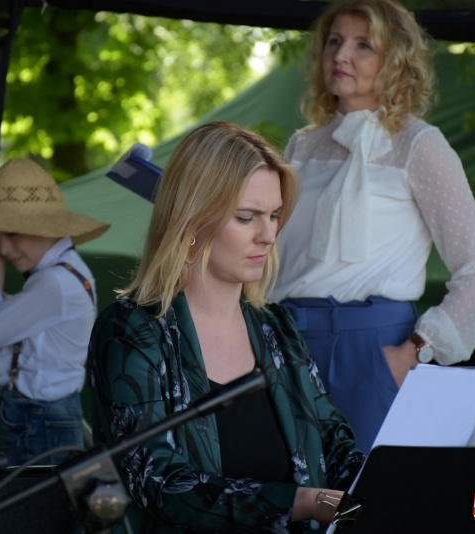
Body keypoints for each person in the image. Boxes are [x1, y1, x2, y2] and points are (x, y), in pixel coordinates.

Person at [88, 121, 365, 534]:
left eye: (274, 216)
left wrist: (389, 483)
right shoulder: (131, 329)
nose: (268, 235)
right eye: (246, 217)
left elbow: (336, 444)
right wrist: (302, 502)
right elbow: (156, 478)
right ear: (190, 220)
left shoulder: (277, 327)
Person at [270, 0, 475, 452]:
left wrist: (414, 352)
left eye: (363, 45)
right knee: (293, 487)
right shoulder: (302, 145)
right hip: (287, 342)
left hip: (373, 347)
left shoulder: (419, 144)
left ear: (396, 59)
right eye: (334, 41)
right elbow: (274, 253)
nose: (341, 55)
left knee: (363, 490)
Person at [0, 158, 110, 465]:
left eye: (12, 234)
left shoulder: (55, 282)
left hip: (40, 416)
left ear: (47, 227)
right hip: (43, 414)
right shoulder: (62, 273)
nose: (3, 248)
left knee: (38, 495)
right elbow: (15, 316)